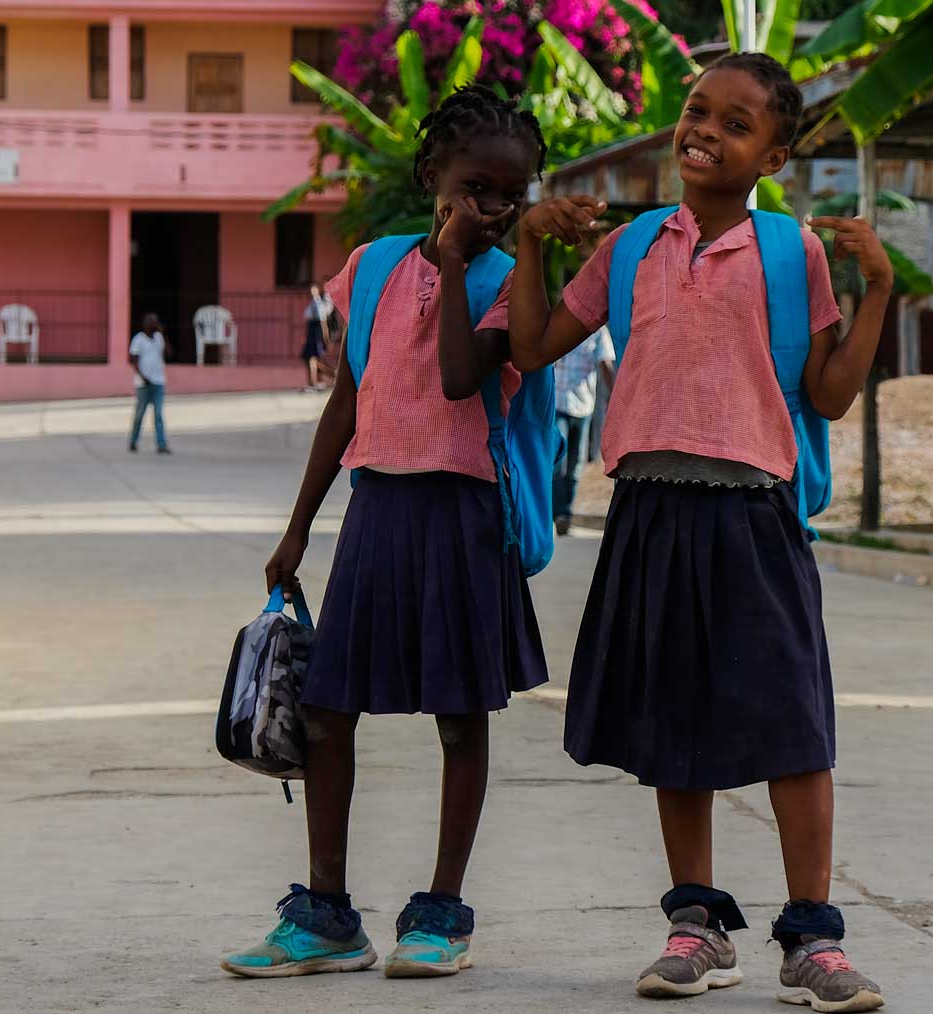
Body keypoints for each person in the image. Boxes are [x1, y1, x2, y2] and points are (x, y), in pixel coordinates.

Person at [506, 53, 895, 1010]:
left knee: (793, 730)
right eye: (695, 111)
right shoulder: (633, 245)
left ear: (775, 153)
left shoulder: (789, 254)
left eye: (735, 123)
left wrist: (877, 291)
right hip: (650, 507)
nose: (705, 132)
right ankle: (697, 927)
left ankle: (813, 940)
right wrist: (528, 244)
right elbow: (530, 348)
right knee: (673, 726)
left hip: (756, 513)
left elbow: (828, 396)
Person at [223, 86, 549, 982]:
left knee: (460, 716)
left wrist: (453, 264)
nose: (493, 208)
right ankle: (327, 914)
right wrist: (298, 528)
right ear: (431, 175)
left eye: (509, 195)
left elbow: (454, 379)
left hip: (464, 517)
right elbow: (348, 399)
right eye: (475, 188)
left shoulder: (510, 281)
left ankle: (442, 912)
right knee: (328, 713)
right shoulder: (369, 269)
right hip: (377, 512)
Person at [550, 327, 616, 534]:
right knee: (557, 461)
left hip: (583, 405)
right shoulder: (559, 322)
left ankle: (565, 514)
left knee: (575, 464)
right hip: (557, 404)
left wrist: (615, 397)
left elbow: (605, 363)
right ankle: (556, 512)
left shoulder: (597, 333)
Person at [128, 313, 171, 454]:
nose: (153, 325)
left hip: (158, 382)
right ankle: (133, 441)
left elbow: (168, 354)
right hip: (143, 384)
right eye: (151, 322)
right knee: (140, 414)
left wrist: (163, 335)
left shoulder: (159, 338)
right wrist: (143, 377)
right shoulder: (138, 339)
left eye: (155, 322)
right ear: (145, 324)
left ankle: (161, 444)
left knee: (158, 414)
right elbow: (133, 360)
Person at [301, 283, 335, 390]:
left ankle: (314, 381)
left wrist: (326, 338)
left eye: (314, 290)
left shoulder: (319, 304)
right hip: (311, 332)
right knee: (310, 358)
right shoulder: (312, 304)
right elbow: (308, 321)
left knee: (313, 358)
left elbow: (323, 323)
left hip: (317, 332)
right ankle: (327, 376)